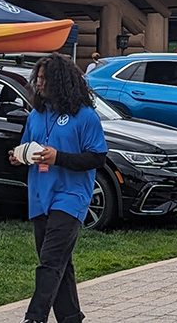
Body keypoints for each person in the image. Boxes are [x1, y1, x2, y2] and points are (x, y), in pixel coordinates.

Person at [8, 53, 108, 323]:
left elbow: (97, 157)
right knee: (59, 262)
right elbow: (27, 146)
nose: (38, 84)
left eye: (43, 80)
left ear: (61, 82)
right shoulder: (37, 115)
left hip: (71, 197)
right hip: (40, 196)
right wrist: (19, 156)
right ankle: (71, 318)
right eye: (37, 79)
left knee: (50, 260)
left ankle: (34, 318)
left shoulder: (85, 117)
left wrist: (59, 157)